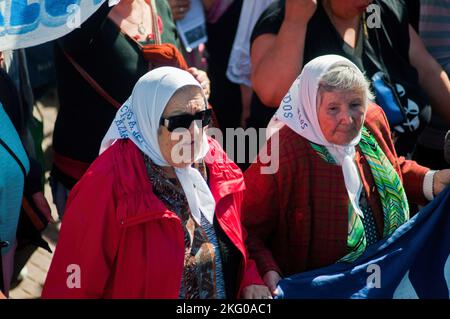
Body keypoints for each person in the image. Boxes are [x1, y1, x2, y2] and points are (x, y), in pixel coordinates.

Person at [42, 67, 271, 299]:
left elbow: (236, 236)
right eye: (179, 121)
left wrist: (249, 279)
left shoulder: (215, 161)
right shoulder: (105, 185)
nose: (195, 132)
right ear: (148, 121)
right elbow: (71, 286)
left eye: (202, 117)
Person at [241, 55, 450, 296]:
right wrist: (267, 270)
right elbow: (247, 227)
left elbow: (392, 168)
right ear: (310, 105)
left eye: (355, 104)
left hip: (388, 274)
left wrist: (431, 181)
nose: (348, 119)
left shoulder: (372, 119)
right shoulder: (282, 152)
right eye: (333, 108)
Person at [51, 0, 210, 218]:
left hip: (162, 178)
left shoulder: (159, 5)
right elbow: (72, 41)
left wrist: (194, 82)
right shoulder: (73, 14)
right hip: (94, 179)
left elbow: (175, 75)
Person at [248, 0, 450, 159]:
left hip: (397, 183)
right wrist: (296, 19)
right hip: (323, 190)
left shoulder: (379, 12)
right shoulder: (290, 17)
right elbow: (272, 93)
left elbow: (428, 72)